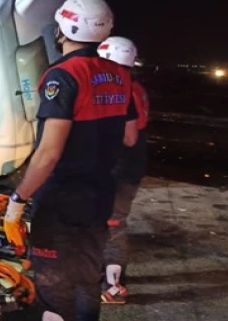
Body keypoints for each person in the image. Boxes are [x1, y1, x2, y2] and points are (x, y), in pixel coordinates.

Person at [2, 0, 139, 321]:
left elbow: (49, 153)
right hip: (100, 193)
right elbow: (128, 136)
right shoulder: (121, 76)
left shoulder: (62, 75)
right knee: (86, 276)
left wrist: (19, 198)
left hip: (62, 197)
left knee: (53, 283)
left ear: (62, 29)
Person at [97, 36, 150, 304]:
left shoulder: (121, 89)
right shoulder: (135, 86)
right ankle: (106, 277)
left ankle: (114, 286)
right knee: (109, 222)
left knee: (113, 224)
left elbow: (126, 136)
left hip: (118, 169)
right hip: (129, 167)